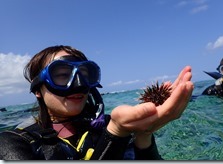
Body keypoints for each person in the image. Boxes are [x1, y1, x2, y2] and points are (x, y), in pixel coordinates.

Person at [0, 45, 193, 160]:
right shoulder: (14, 143)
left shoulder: (116, 124)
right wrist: (116, 134)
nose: (77, 84)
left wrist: (144, 133)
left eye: (85, 75)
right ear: (37, 90)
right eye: (61, 75)